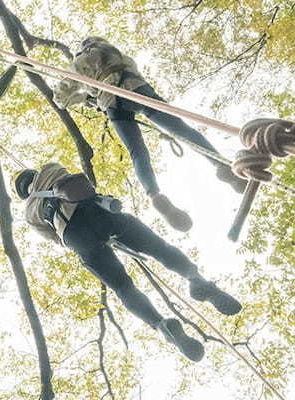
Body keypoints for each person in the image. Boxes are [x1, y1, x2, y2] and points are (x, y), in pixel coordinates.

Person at [15, 163, 243, 361]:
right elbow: (80, 181)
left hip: (75, 235)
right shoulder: (50, 168)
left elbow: (55, 238)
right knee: (158, 248)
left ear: (24, 194)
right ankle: (196, 279)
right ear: (33, 173)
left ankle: (161, 324)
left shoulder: (29, 214)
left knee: (122, 287)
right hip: (99, 210)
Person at [53, 36, 247, 232]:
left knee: (137, 152)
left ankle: (154, 194)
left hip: (111, 102)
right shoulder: (117, 54)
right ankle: (220, 164)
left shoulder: (80, 63)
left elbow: (62, 94)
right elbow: (127, 70)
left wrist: (83, 97)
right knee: (182, 131)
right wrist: (90, 96)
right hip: (135, 89)